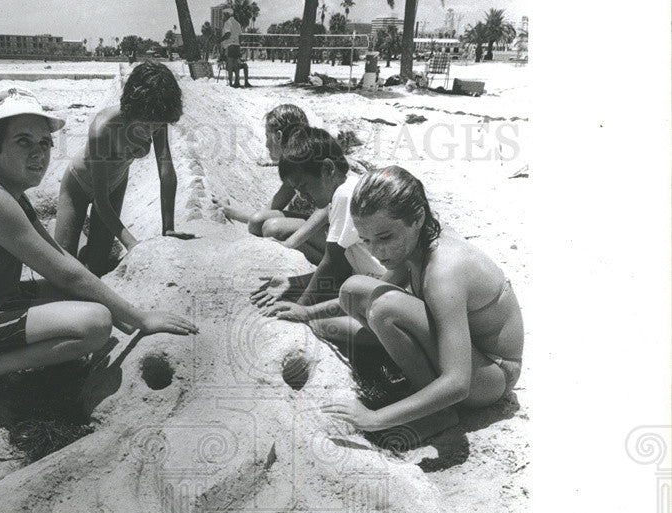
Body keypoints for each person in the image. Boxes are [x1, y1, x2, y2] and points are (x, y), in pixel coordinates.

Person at [0, 87, 197, 428]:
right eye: (23, 142)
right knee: (94, 324)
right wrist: (139, 318)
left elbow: (59, 254)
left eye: (45, 143)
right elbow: (65, 272)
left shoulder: (1, 188)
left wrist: (121, 309)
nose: (39, 153)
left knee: (88, 302)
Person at [317, 166, 524, 437]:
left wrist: (374, 418)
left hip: (492, 376)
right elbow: (368, 291)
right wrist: (306, 312)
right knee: (351, 291)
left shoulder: (443, 273)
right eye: (366, 240)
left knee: (383, 310)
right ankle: (420, 386)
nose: (377, 251)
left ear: (417, 218)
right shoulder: (416, 245)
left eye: (385, 237)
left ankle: (441, 414)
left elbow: (458, 383)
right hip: (469, 355)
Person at [55, 61, 194, 277]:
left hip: (116, 183)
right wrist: (131, 244)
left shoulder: (155, 119)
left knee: (96, 266)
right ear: (132, 110)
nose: (151, 132)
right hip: (79, 185)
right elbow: (100, 200)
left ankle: (87, 237)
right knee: (63, 266)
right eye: (146, 126)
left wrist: (169, 228)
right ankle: (71, 225)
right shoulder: (104, 129)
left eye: (156, 126)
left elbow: (166, 173)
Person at [254, 126, 385, 343]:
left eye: (305, 186)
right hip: (374, 286)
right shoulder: (348, 188)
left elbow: (333, 262)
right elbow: (341, 266)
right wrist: (294, 282)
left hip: (382, 295)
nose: (303, 196)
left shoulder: (344, 194)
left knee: (320, 324)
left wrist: (302, 307)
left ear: (327, 169)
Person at [222, 105, 328, 265]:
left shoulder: (309, 160)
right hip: (326, 230)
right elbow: (265, 213)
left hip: (340, 235)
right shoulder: (295, 161)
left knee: (273, 229)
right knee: (260, 223)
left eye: (267, 136)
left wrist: (290, 243)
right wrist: (232, 212)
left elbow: (327, 208)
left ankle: (330, 265)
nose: (265, 144)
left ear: (278, 136)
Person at [219, 6, 249, 88]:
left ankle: (231, 83)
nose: (223, 17)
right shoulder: (237, 23)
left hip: (230, 46)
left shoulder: (227, 22)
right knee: (236, 65)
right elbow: (240, 36)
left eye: (224, 15)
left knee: (230, 65)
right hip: (237, 46)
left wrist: (220, 40)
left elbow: (228, 34)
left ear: (227, 15)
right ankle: (237, 82)